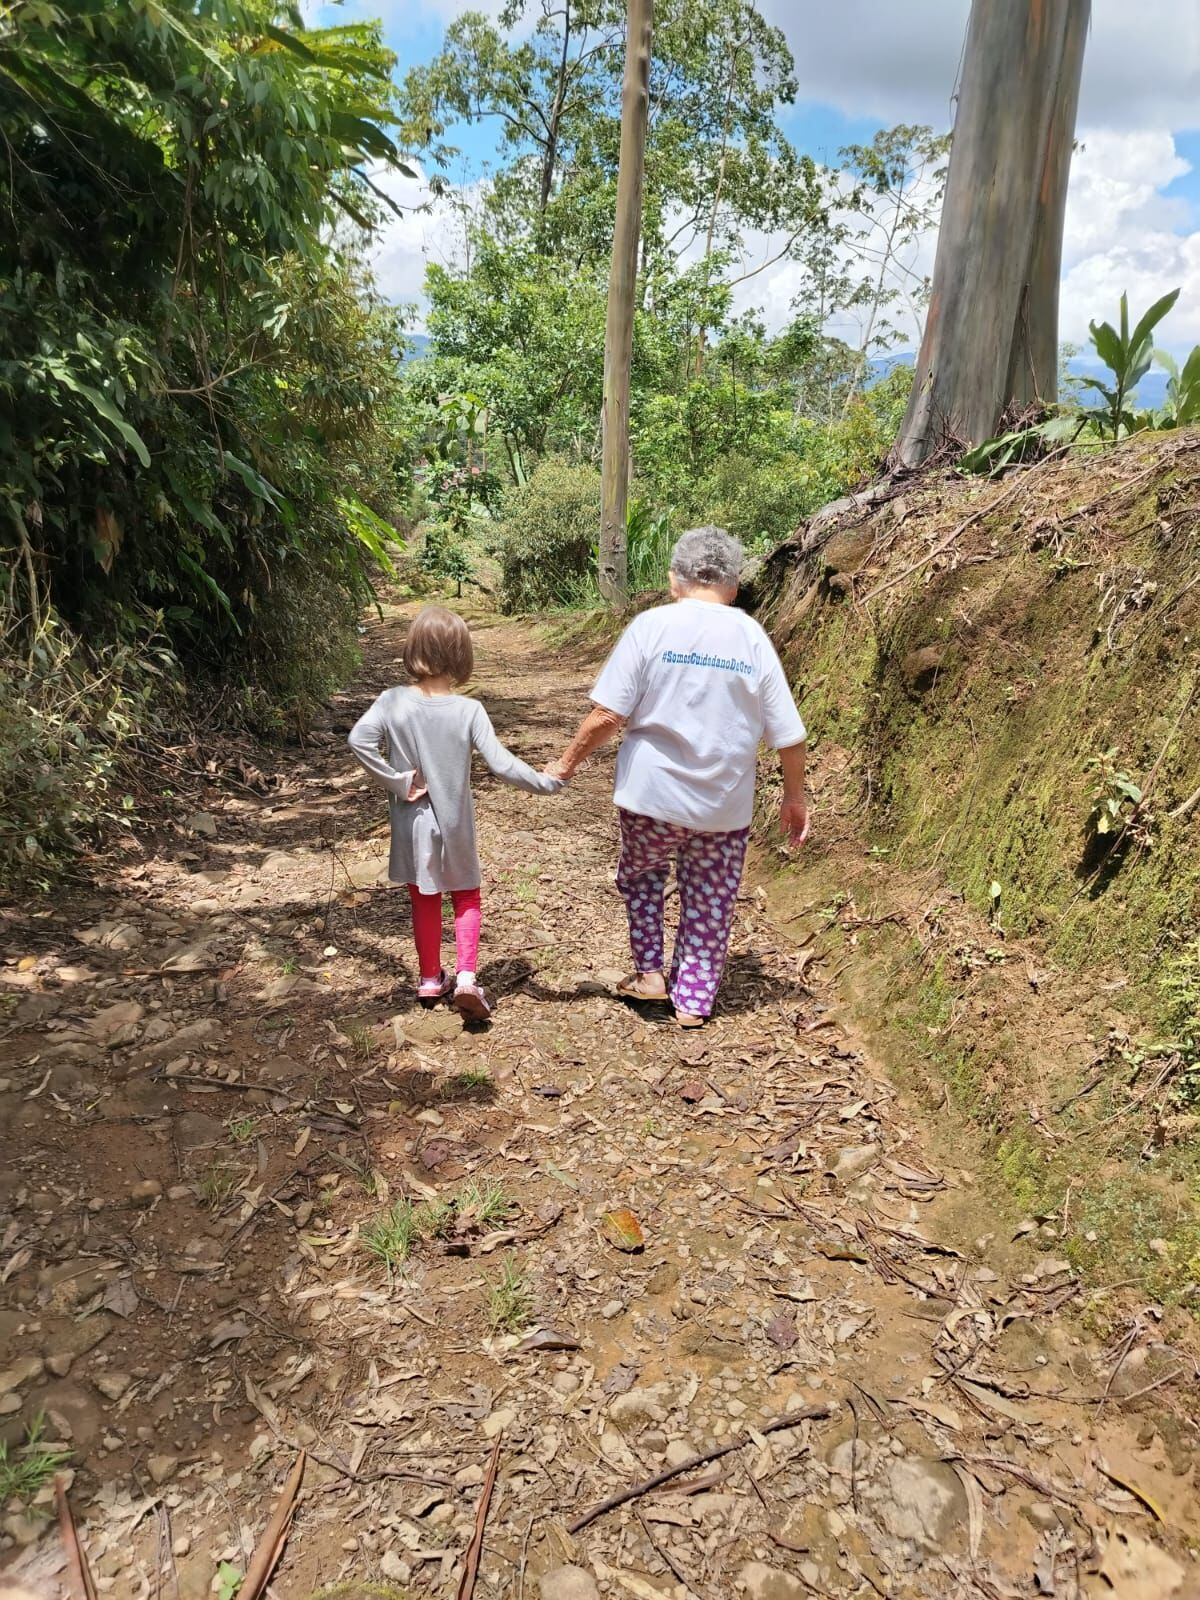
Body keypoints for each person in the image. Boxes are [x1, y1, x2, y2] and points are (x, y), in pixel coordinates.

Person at [547, 526, 810, 1028]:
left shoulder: (651, 627)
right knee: (710, 898)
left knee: (643, 878)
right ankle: (692, 1000)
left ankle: (649, 974)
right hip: (723, 806)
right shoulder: (751, 636)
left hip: (652, 797)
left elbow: (607, 717)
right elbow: (789, 735)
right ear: (733, 587)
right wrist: (794, 797)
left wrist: (566, 763)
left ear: (674, 581)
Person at [349, 605, 562, 1020]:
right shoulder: (469, 711)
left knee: (423, 896)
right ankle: (465, 977)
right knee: (466, 894)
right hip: (456, 823)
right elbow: (501, 765)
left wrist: (398, 780)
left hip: (411, 824)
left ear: (413, 650)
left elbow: (359, 741)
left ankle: (430, 979)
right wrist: (546, 781)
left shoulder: (392, 701)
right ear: (461, 657)